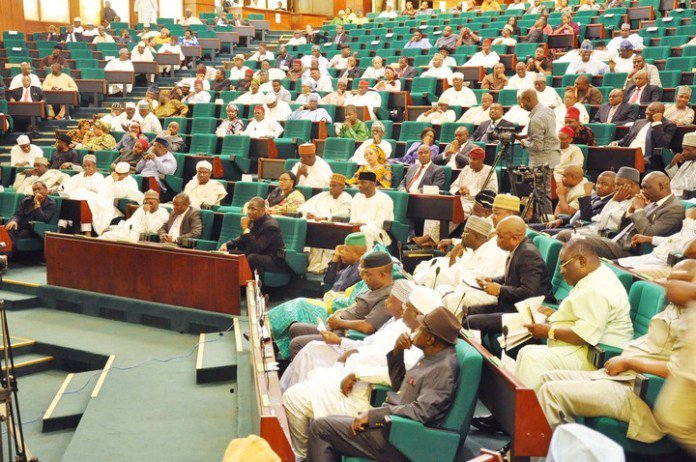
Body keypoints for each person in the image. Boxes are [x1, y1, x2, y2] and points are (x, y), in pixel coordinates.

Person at [538, 260, 694, 451]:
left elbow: (675, 371)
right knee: (546, 378)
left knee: (552, 392)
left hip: (640, 395)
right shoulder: (674, 306)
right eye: (670, 279)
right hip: (621, 378)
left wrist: (629, 361)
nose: (672, 285)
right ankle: (568, 452)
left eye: (681, 280)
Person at [281, 281, 423, 457]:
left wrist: (357, 373)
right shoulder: (400, 327)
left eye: (407, 307)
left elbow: (398, 375)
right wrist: (348, 349)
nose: (403, 309)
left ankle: (301, 456)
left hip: (366, 392)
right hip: (356, 371)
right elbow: (370, 345)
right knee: (304, 380)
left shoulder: (416, 342)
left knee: (294, 398)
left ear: (416, 314)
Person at [306, 306, 461, 462]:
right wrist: (397, 351)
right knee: (327, 424)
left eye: (421, 329)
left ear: (430, 339)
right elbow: (400, 386)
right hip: (391, 425)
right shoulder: (432, 356)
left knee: (320, 429)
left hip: (400, 439)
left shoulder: (443, 369)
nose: (417, 330)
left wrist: (374, 415)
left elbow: (421, 412)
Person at [514, 240, 633, 394]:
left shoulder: (596, 288)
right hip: (585, 348)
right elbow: (582, 314)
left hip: (597, 356)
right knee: (526, 351)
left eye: (564, 264)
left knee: (533, 360)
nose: (561, 271)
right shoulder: (593, 275)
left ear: (581, 261)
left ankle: (530, 409)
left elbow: (584, 335)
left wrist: (548, 331)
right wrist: (555, 315)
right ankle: (522, 405)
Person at [268, 233, 371, 358]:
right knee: (298, 305)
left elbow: (349, 301)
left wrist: (331, 297)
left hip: (333, 310)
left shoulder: (360, 272)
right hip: (327, 302)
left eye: (346, 250)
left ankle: (268, 333)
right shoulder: (350, 266)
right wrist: (335, 258)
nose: (341, 252)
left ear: (357, 254)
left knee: (299, 304)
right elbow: (328, 280)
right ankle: (269, 334)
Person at [285, 250, 394, 360]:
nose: (364, 278)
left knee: (296, 344)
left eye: (368, 274)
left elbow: (368, 327)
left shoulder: (388, 297)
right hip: (337, 327)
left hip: (345, 336)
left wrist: (340, 323)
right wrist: (339, 314)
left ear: (382, 275)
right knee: (295, 328)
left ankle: (310, 370)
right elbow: (357, 308)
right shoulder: (374, 287)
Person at [466, 216, 552, 335]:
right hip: (513, 304)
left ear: (514, 238)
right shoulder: (518, 248)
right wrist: (492, 280)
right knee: (471, 311)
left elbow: (529, 292)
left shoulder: (528, 254)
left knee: (471, 322)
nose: (497, 240)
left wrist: (499, 290)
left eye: (500, 237)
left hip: (527, 312)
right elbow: (512, 276)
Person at [576, 172, 685, 260]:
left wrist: (639, 209)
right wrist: (631, 210)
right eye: (642, 187)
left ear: (661, 186)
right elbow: (622, 227)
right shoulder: (653, 203)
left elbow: (648, 234)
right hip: (616, 241)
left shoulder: (674, 208)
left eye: (646, 187)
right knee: (573, 236)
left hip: (629, 250)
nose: (643, 191)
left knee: (574, 239)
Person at [220, 196, 290, 280]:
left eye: (253, 209)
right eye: (248, 208)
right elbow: (242, 238)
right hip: (259, 254)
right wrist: (227, 244)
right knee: (227, 254)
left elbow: (257, 248)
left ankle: (256, 286)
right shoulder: (253, 220)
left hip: (274, 260)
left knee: (252, 257)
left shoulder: (271, 226)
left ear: (263, 210)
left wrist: (246, 229)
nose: (249, 212)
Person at [543, 171, 617, 235]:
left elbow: (586, 219)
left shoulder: (609, 203)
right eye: (598, 182)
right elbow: (578, 214)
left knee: (543, 232)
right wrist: (561, 220)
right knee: (538, 227)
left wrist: (587, 195)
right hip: (570, 224)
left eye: (604, 184)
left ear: (614, 187)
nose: (599, 186)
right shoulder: (596, 196)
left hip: (581, 231)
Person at [610, 102, 676, 170]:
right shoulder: (639, 122)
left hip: (647, 158)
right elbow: (627, 138)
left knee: (628, 162)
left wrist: (657, 123)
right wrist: (616, 143)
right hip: (628, 153)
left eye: (651, 110)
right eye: (647, 109)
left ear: (659, 113)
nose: (646, 112)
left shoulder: (669, 125)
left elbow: (663, 144)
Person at [5, 182, 57, 255]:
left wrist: (37, 204)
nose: (36, 191)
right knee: (9, 227)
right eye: (34, 189)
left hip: (34, 230)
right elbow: (18, 214)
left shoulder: (51, 203)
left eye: (39, 189)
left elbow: (42, 219)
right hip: (20, 226)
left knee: (15, 235)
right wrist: (14, 221)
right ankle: (4, 256)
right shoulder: (26, 200)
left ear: (46, 190)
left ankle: (6, 256)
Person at [100, 190, 170, 242]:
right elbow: (131, 222)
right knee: (105, 235)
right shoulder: (141, 208)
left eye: (151, 203)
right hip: (128, 231)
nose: (147, 205)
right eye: (146, 203)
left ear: (158, 202)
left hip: (137, 236)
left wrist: (147, 213)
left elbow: (150, 230)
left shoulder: (163, 213)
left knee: (107, 237)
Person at [350, 171, 394, 246]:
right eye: (358, 183)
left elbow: (380, 224)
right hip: (357, 228)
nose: (359, 185)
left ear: (374, 183)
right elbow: (352, 219)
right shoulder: (357, 197)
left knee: (365, 231)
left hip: (378, 231)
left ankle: (367, 254)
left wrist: (361, 225)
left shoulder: (384, 199)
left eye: (363, 183)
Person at [666, 132, 696, 199]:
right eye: (683, 149)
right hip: (671, 194)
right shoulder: (688, 161)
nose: (683, 153)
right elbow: (675, 180)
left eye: (687, 149)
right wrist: (673, 164)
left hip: (682, 199)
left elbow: (688, 189)